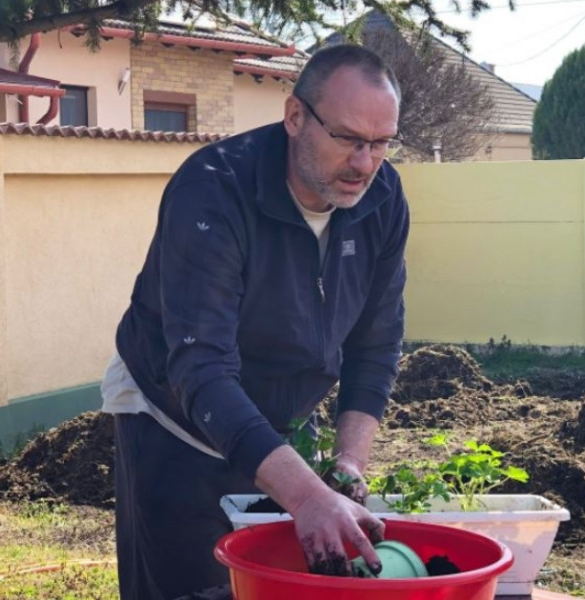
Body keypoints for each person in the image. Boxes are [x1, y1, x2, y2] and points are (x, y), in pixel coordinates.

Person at [100, 43, 409, 600]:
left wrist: (346, 466)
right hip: (175, 421)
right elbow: (201, 369)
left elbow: (376, 341)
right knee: (187, 587)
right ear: (295, 117)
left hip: (284, 418)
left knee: (285, 585)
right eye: (347, 139)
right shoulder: (213, 191)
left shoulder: (381, 198)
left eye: (381, 143)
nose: (364, 164)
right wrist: (308, 496)